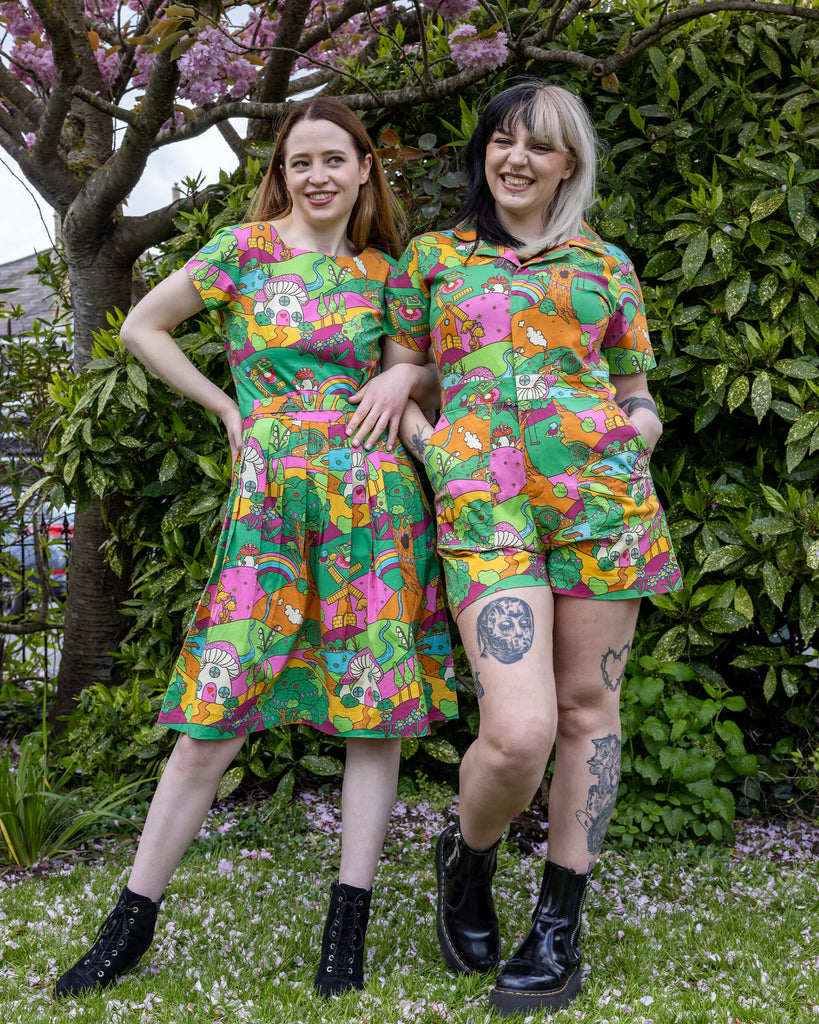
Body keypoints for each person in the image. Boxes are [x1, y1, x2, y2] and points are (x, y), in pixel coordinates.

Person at [55, 96, 456, 1000]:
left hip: (374, 508)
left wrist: (407, 372)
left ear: (363, 170)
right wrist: (229, 407)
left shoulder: (387, 271)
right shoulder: (242, 253)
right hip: (271, 507)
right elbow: (141, 326)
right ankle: (129, 925)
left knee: (372, 711)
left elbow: (420, 371)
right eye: (299, 161)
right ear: (282, 173)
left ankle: (344, 930)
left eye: (334, 160)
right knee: (212, 717)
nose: (317, 176)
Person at [386, 81, 682, 1017]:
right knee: (518, 733)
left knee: (589, 709)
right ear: (483, 153)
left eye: (539, 147)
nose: (516, 159)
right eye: (502, 141)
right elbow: (403, 376)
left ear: (568, 165)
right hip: (487, 517)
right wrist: (437, 450)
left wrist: (637, 430)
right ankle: (466, 859)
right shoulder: (431, 260)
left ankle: (557, 927)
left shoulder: (606, 266)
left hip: (600, 511)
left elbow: (633, 386)